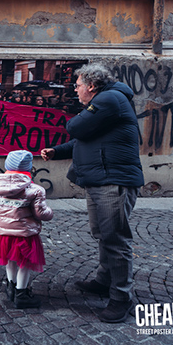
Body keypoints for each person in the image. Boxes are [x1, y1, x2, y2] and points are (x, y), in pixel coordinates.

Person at [41, 62, 144, 323]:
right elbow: (84, 138)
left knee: (115, 238)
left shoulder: (109, 99)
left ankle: (121, 297)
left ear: (91, 85)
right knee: (102, 233)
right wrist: (58, 151)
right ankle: (104, 280)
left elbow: (76, 127)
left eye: (77, 86)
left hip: (113, 180)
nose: (75, 90)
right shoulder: (107, 102)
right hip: (100, 178)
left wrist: (81, 114)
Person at [0, 150, 53, 309]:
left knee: (10, 260)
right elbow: (41, 213)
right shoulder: (35, 190)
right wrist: (50, 213)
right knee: (25, 264)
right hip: (26, 234)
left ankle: (11, 288)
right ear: (29, 168)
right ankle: (21, 294)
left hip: (5, 233)